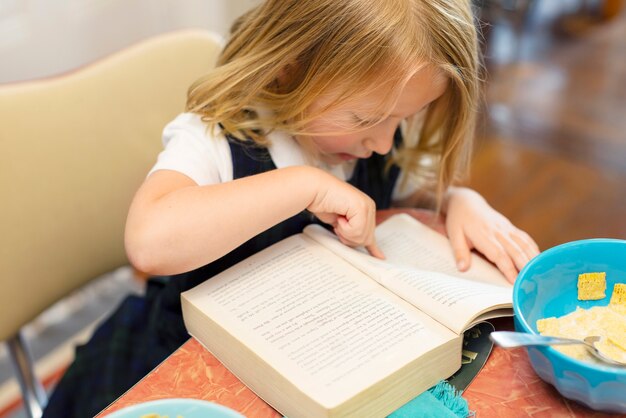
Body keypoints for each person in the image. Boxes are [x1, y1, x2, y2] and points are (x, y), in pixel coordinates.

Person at [43, 0, 539, 416]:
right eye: (366, 117)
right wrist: (303, 185)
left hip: (317, 371)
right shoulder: (216, 134)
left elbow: (421, 190)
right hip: (186, 373)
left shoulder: (372, 142)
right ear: (292, 64)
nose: (384, 142)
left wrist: (460, 200)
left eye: (405, 119)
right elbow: (149, 242)